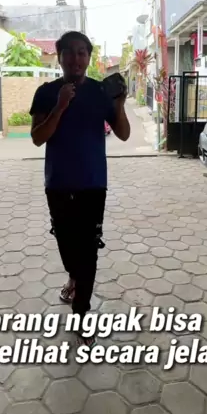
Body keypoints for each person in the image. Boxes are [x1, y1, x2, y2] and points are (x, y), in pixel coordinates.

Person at [30, 31, 130, 346]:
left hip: (92, 184)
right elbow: (37, 138)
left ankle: (82, 313)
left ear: (89, 57)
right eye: (70, 52)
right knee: (65, 243)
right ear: (59, 57)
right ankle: (73, 276)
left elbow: (124, 134)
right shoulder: (46, 93)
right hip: (58, 183)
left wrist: (119, 104)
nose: (76, 58)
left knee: (88, 250)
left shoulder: (101, 92)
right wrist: (60, 106)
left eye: (82, 52)